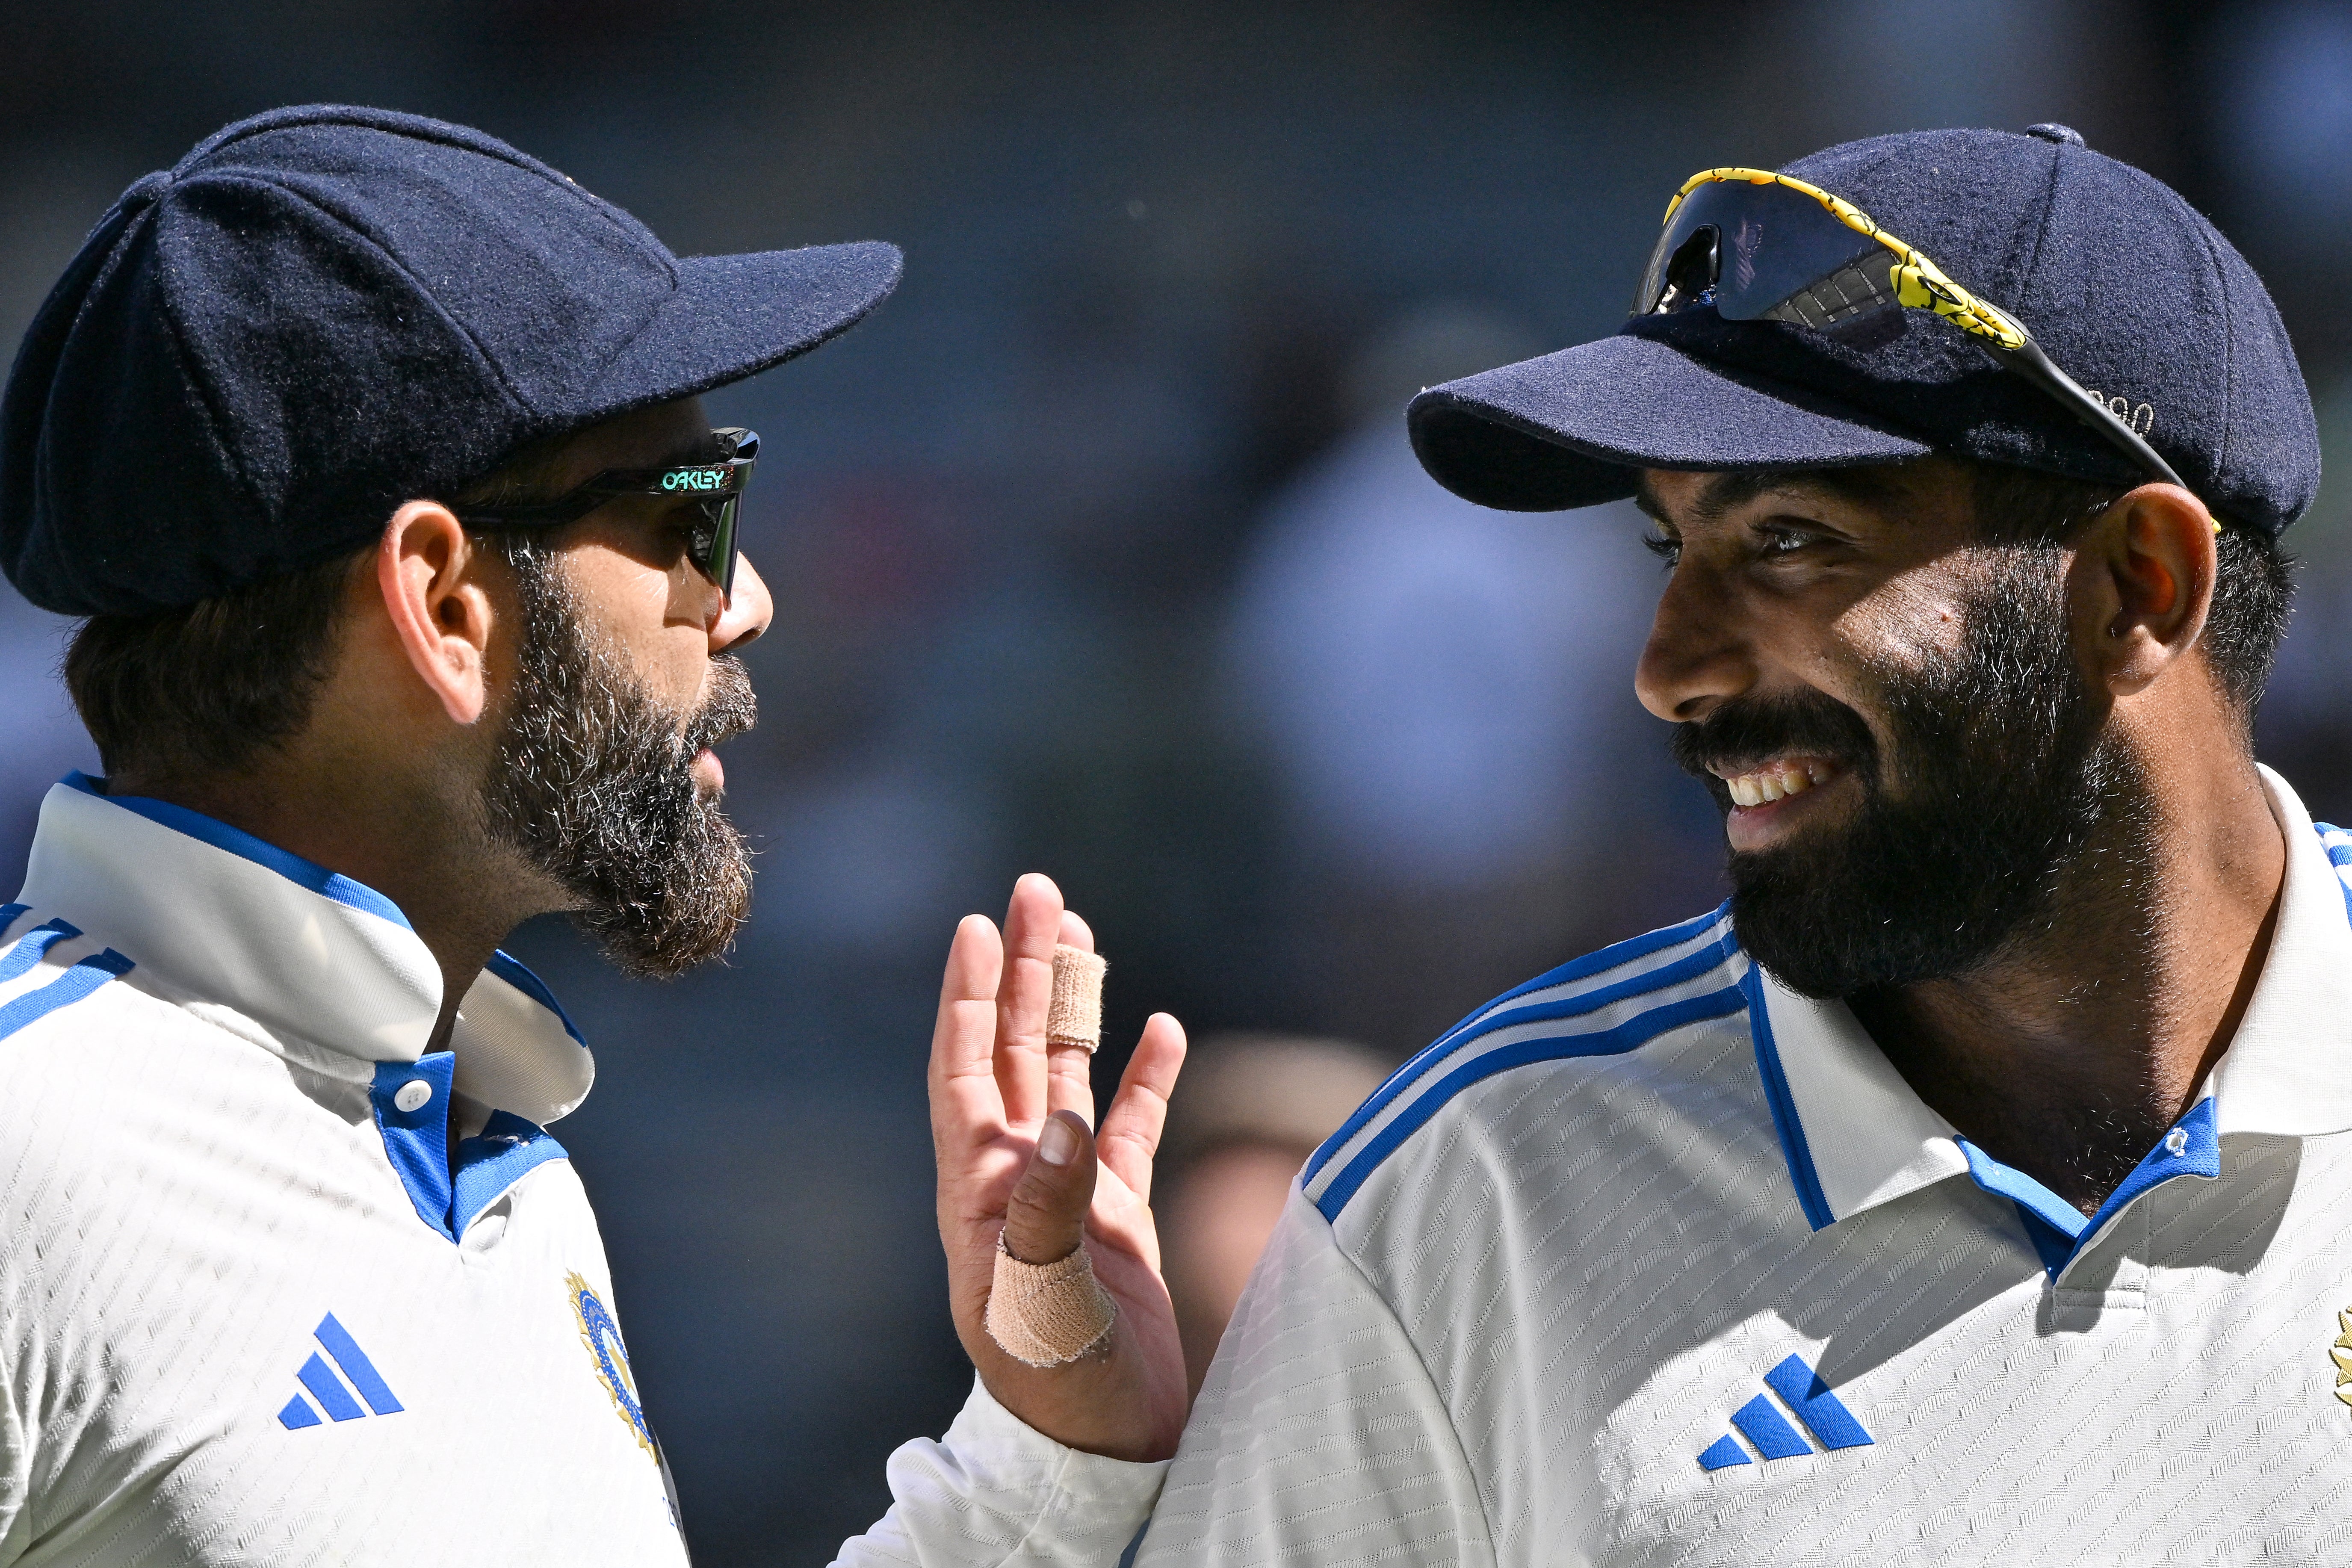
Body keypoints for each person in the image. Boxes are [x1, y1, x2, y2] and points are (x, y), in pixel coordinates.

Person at [937, 124, 2350, 1561]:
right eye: (1667, 551)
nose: (1665, 666)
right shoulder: (1462, 1201)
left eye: (1789, 540)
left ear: (2140, 585)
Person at [0, 105, 1189, 1566]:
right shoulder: (31, 1144)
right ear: (442, 605)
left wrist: (1047, 1455)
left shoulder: (492, 1157)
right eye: (695, 505)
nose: (743, 600)